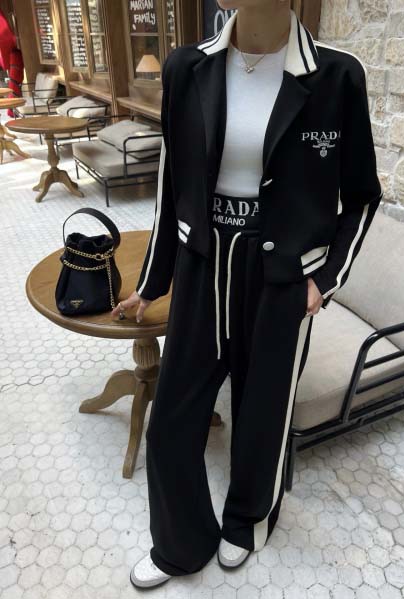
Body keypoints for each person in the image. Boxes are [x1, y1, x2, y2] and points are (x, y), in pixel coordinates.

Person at [112, 0, 383, 590]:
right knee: (172, 419)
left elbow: (362, 196)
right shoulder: (187, 67)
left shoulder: (336, 76)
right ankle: (179, 543)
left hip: (281, 279)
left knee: (262, 416)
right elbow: (172, 187)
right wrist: (153, 283)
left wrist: (324, 281)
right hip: (202, 267)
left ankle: (247, 522)